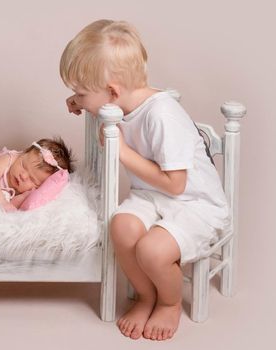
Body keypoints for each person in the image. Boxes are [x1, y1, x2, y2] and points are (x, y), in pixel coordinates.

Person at [60, 19, 229, 341]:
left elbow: (176, 184)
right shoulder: (119, 104)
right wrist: (81, 103)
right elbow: (101, 105)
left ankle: (169, 302)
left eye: (80, 92)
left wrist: (121, 150)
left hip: (194, 204)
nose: (77, 99)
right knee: (120, 225)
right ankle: (145, 295)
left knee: (152, 251)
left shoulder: (162, 115)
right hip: (153, 197)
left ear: (112, 91)